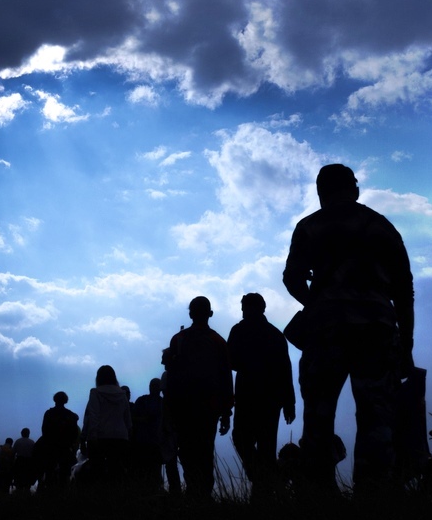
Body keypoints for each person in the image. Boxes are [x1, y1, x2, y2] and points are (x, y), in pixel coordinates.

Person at [283, 163, 415, 493]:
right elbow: (404, 290)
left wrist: (313, 303)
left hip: (325, 331)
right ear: (354, 189)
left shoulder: (309, 226)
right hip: (377, 330)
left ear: (320, 192)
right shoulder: (381, 226)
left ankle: (316, 496)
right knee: (375, 417)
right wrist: (407, 345)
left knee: (317, 418)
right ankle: (373, 497)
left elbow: (292, 277)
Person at [162, 296, 234, 498]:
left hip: (183, 407)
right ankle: (203, 495)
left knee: (187, 452)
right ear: (210, 314)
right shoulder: (218, 341)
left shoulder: (178, 339)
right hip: (209, 408)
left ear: (190, 313)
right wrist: (227, 411)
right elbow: (226, 377)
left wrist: (168, 409)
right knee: (205, 452)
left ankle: (194, 492)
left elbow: (171, 374)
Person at [226, 292, 296, 495]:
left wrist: (289, 402)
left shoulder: (241, 331)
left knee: (245, 440)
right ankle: (266, 480)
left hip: (252, 397)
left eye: (245, 307)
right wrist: (288, 402)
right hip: (267, 400)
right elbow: (286, 369)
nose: (243, 311)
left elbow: (231, 361)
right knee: (262, 447)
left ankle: (264, 483)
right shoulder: (274, 334)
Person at [81, 365, 133, 485]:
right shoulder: (122, 394)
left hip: (100, 436)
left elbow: (92, 416)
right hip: (120, 436)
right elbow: (127, 418)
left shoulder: (95, 393)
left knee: (98, 471)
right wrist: (129, 435)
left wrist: (88, 437)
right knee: (116, 471)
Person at [38, 391, 80, 494]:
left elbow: (44, 430)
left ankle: (49, 494)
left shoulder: (48, 414)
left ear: (55, 400)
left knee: (49, 471)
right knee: (64, 474)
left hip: (51, 447)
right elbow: (74, 433)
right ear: (65, 400)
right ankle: (63, 496)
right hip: (65, 447)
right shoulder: (71, 415)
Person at [131, 377, 167, 490]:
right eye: (153, 385)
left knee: (154, 471)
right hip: (143, 442)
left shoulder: (162, 403)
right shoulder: (143, 401)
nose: (154, 388)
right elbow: (133, 419)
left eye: (156, 386)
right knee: (145, 470)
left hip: (155, 443)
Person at [12, 428, 38, 493]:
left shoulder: (18, 441)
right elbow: (34, 454)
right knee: (27, 481)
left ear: (21, 433)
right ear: (28, 434)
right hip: (29, 463)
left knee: (19, 480)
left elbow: (13, 452)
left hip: (19, 461)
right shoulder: (32, 442)